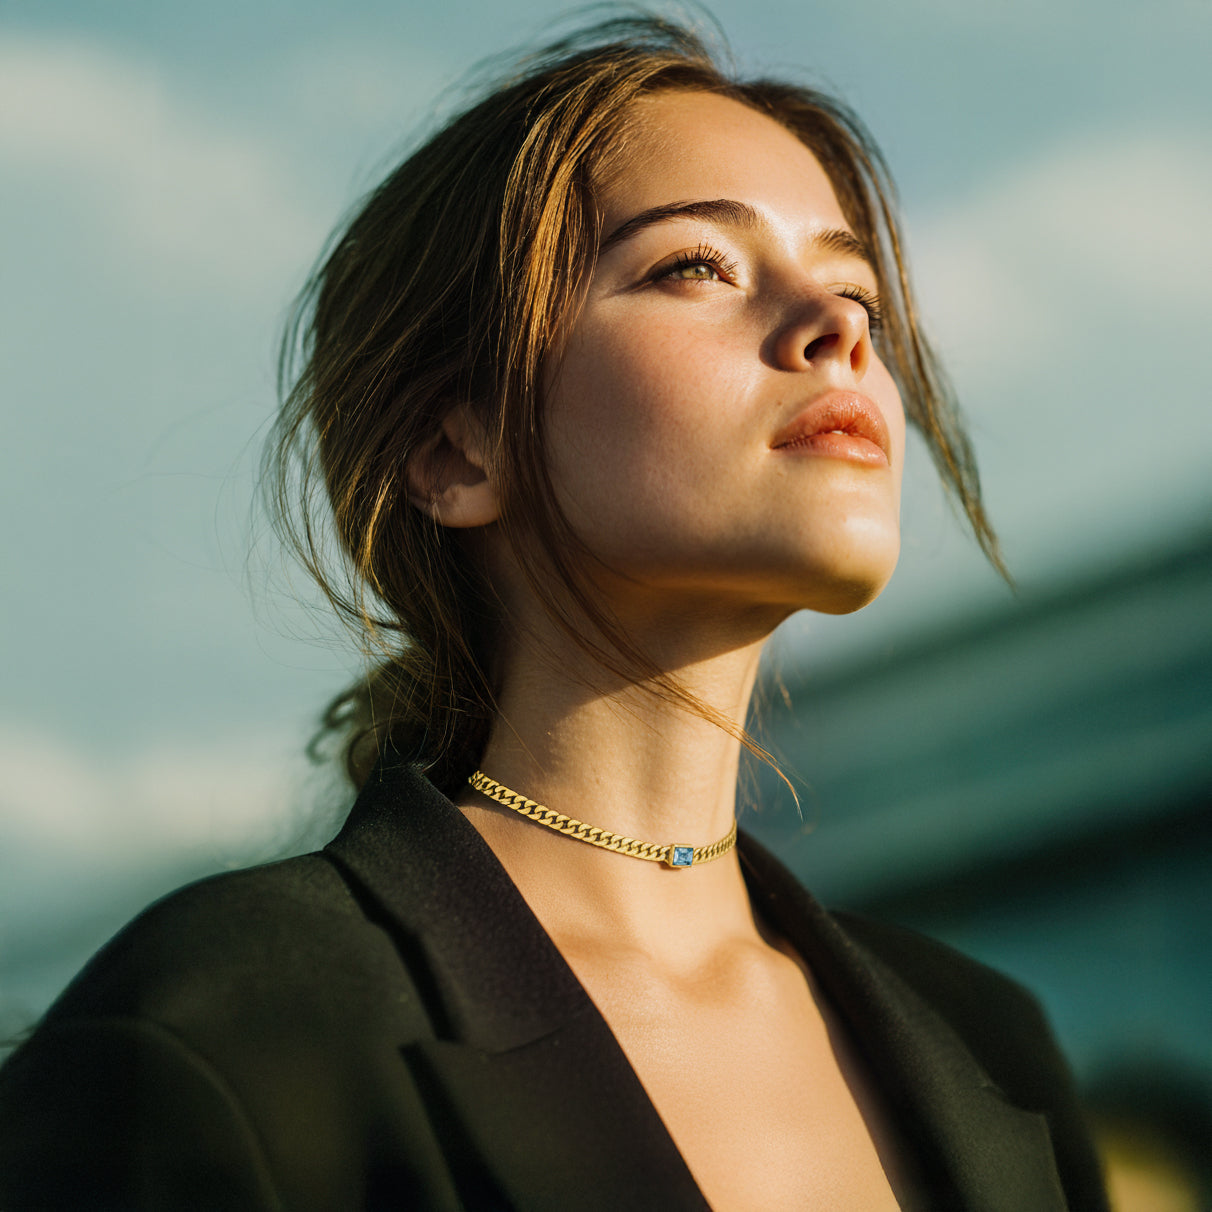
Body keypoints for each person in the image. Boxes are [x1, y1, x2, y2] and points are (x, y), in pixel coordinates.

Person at [0, 14, 1109, 1210]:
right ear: (453, 448)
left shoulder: (998, 1053)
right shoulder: (218, 1041)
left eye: (858, 294)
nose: (840, 328)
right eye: (698, 265)